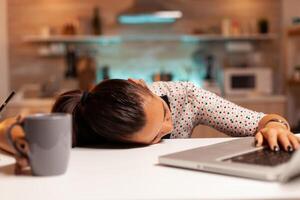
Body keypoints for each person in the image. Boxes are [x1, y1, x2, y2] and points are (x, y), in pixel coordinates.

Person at [0, 79, 299, 156]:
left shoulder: (188, 97)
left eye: (166, 115)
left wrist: (275, 126)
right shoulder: (91, 119)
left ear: (141, 84)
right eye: (158, 137)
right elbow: (8, 130)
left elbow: (262, 120)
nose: (169, 128)